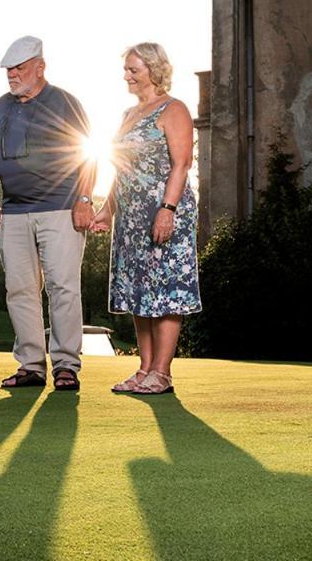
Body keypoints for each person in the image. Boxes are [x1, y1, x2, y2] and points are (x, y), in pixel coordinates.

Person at [0, 36, 95, 392]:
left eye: (19, 68)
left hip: (60, 208)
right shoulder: (0, 106)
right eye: (8, 70)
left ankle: (66, 366)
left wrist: (85, 198)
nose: (12, 75)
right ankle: (31, 366)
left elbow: (88, 153)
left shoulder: (64, 102)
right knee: (19, 289)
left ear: (40, 67)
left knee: (62, 287)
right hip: (14, 212)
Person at [90, 43, 201, 396]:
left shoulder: (174, 109)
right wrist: (107, 208)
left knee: (165, 290)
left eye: (133, 69)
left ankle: (162, 373)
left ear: (153, 70)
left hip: (164, 211)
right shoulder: (129, 115)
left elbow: (182, 164)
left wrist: (167, 211)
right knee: (140, 291)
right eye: (126, 69)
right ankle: (144, 369)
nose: (127, 75)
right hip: (131, 216)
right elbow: (121, 169)